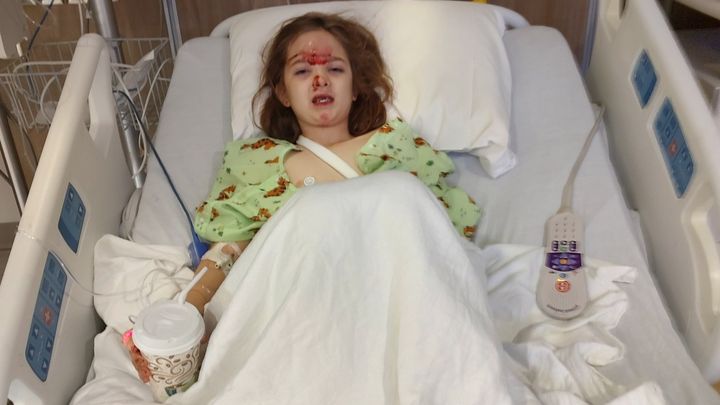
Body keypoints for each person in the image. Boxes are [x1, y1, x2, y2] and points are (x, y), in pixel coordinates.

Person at [126, 11, 482, 378]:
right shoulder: (256, 161)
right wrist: (189, 307)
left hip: (393, 303)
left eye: (335, 69)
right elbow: (230, 248)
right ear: (282, 92)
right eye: (301, 70)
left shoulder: (396, 146)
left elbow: (434, 232)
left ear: (355, 87)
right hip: (302, 311)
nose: (319, 79)